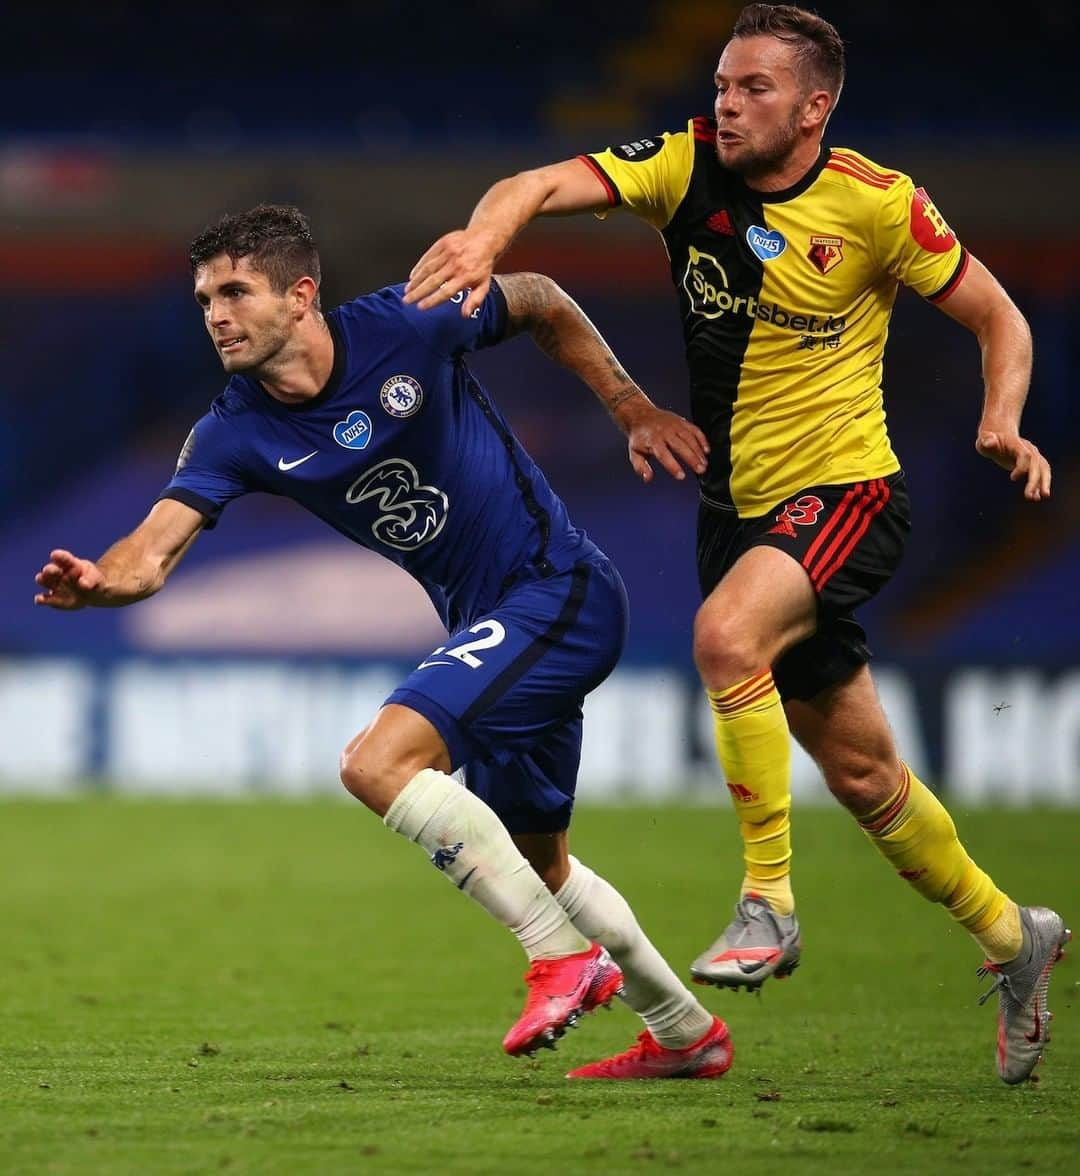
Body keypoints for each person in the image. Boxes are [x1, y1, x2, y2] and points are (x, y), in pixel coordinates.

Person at [403, 4, 1069, 1085]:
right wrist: (487, 236)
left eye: (755, 87)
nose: (726, 101)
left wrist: (1003, 417)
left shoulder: (879, 203)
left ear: (816, 106)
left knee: (725, 639)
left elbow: (1001, 318)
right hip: (739, 511)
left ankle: (769, 902)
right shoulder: (684, 167)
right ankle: (1013, 936)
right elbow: (534, 185)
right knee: (862, 773)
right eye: (721, 81)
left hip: (847, 492)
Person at [34, 204, 734, 1081]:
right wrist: (100, 581)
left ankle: (560, 958)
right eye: (205, 297)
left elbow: (545, 300)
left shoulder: (410, 320)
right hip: (494, 627)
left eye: (235, 291)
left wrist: (632, 407)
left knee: (375, 762)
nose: (214, 313)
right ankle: (685, 1034)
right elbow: (151, 553)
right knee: (537, 861)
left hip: (560, 592)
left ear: (300, 297)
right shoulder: (232, 430)